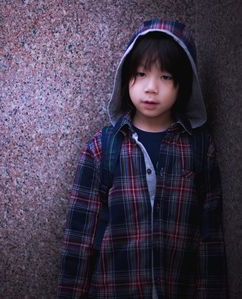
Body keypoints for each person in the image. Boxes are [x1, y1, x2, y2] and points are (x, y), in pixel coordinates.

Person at [57, 19, 228, 298]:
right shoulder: (102, 149)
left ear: (183, 84)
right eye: (141, 73)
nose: (151, 88)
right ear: (126, 78)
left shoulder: (199, 148)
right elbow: (79, 241)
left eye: (166, 77)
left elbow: (210, 241)